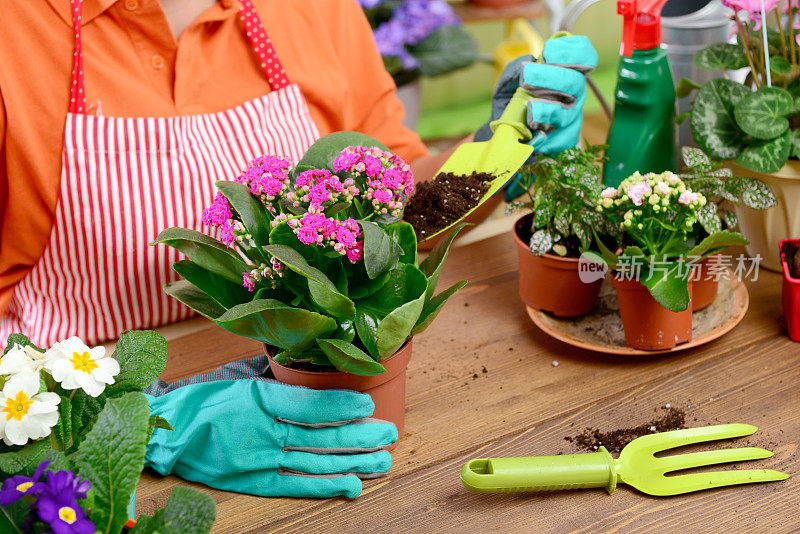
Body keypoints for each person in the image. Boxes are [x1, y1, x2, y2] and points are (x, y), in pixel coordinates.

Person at [0, 0, 595, 500]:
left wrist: (497, 151)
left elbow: (392, 208)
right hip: (79, 453)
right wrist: (148, 426)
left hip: (330, 414)